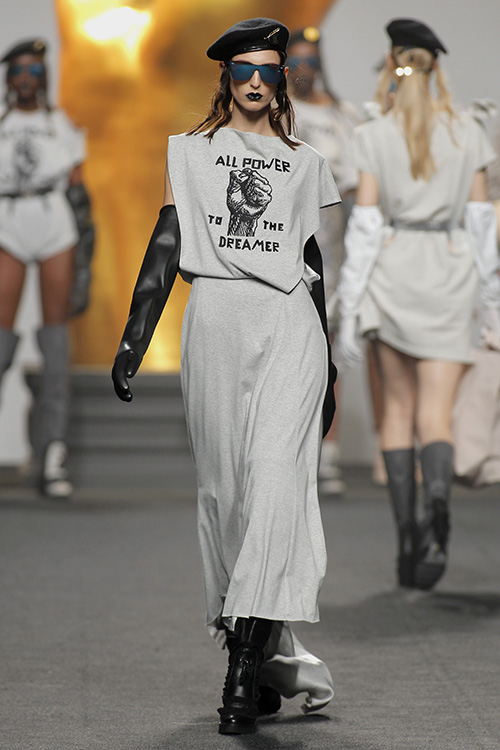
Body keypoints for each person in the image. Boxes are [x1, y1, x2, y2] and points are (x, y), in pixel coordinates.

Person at [112, 17, 339, 735]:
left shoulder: (306, 160)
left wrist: (328, 365)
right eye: (242, 69)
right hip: (215, 320)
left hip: (289, 324)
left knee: (274, 481)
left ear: (280, 82)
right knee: (227, 497)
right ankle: (270, 660)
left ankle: (241, 670)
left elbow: (313, 265)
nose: (253, 81)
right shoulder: (191, 153)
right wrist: (134, 337)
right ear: (226, 78)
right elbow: (167, 242)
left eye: (267, 70)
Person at [335, 18, 499, 591]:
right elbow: (483, 225)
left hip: (395, 269)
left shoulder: (373, 133)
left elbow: (366, 224)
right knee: (437, 413)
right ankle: (438, 514)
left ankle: (409, 538)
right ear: (436, 68)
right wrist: (492, 303)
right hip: (451, 273)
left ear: (390, 64)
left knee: (398, 413)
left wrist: (348, 305)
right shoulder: (468, 132)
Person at [0, 38, 94, 499]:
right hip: (7, 219)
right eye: (18, 70)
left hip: (54, 220)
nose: (25, 79)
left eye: (34, 71)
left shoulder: (62, 125)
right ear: (8, 77)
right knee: (1, 341)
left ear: (44, 76)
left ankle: (53, 451)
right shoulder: (2, 124)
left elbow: (78, 190)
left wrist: (86, 258)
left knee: (55, 341)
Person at [287, 25, 361, 494]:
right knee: (290, 348)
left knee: (328, 347)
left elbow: (354, 190)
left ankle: (328, 452)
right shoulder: (275, 110)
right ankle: (289, 453)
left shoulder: (342, 115)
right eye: (297, 60)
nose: (305, 69)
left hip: (331, 241)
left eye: (313, 59)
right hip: (287, 243)